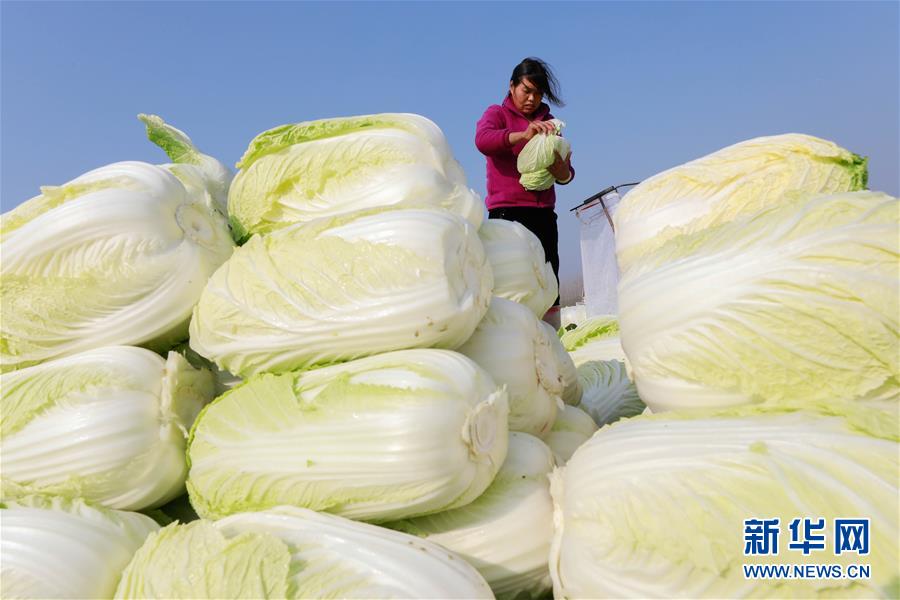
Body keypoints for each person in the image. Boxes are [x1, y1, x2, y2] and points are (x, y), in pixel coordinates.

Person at [475, 57, 573, 329]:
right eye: (526, 91)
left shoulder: (550, 123)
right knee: (511, 281)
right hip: (507, 213)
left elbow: (567, 174)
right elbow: (483, 140)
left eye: (538, 93)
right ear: (512, 86)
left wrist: (562, 171)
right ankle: (510, 334)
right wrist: (522, 135)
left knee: (548, 281)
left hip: (544, 215)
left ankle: (551, 337)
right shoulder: (497, 114)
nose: (531, 99)